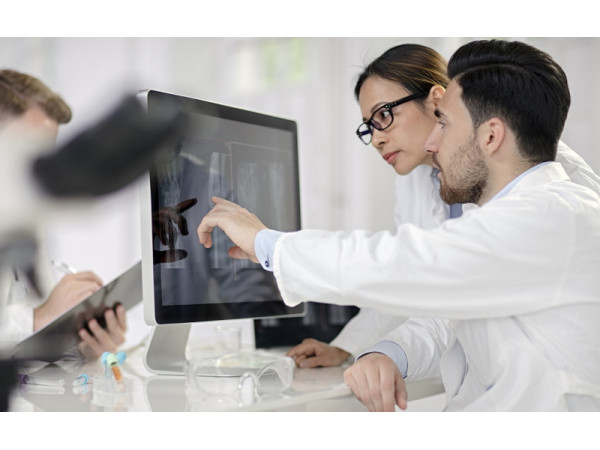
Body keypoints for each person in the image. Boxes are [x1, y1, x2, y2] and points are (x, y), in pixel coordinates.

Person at [196, 39, 600, 411]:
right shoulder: (499, 199)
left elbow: (407, 263)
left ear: (491, 136)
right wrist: (383, 351)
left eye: (444, 123)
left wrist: (267, 243)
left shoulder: (552, 213)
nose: (432, 144)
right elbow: (445, 307)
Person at [286, 43, 600, 369]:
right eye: (369, 126)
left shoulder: (537, 177)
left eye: (384, 115)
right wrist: (347, 347)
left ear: (437, 100)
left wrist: (270, 246)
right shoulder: (413, 179)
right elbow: (410, 278)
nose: (376, 139)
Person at [0, 69, 127, 360]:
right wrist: (39, 319)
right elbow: (34, 319)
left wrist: (80, 345)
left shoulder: (25, 219)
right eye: (31, 152)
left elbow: (27, 346)